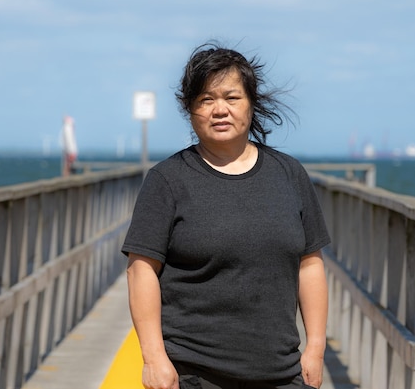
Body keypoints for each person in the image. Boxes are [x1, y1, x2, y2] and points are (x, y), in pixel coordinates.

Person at [122, 42, 330, 389]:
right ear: (190, 109)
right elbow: (140, 269)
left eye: (232, 98)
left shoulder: (289, 174)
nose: (220, 109)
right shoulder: (167, 180)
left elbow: (311, 264)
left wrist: (316, 348)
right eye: (206, 99)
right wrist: (154, 358)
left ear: (251, 104)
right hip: (195, 372)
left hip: (282, 371)